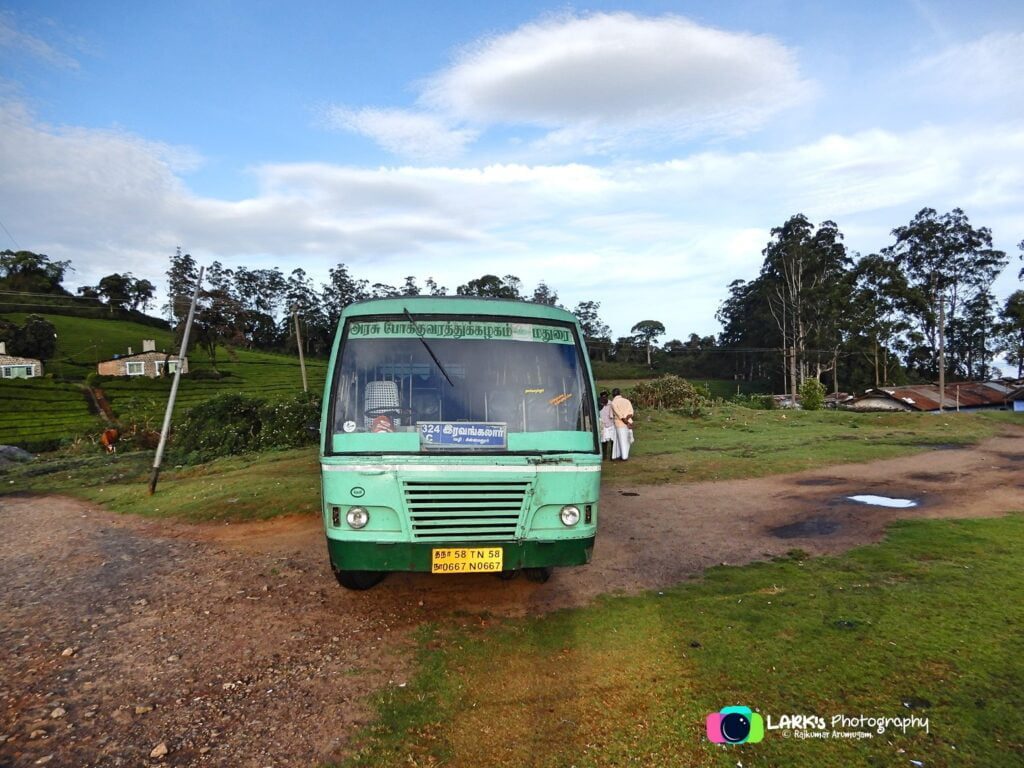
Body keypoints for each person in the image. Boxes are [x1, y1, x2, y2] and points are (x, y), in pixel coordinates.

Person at [609, 388, 635, 461]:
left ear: (613, 394)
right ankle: (622, 455)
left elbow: (619, 415)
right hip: (629, 423)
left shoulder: (613, 403)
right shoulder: (627, 401)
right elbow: (631, 412)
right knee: (627, 440)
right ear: (620, 393)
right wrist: (628, 421)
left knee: (621, 441)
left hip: (620, 424)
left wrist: (626, 422)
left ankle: (624, 456)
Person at [598, 391, 614, 460]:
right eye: (603, 397)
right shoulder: (599, 404)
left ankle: (612, 456)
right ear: (601, 398)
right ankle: (604, 456)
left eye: (606, 397)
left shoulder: (611, 404)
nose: (605, 399)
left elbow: (612, 415)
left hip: (611, 424)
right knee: (604, 442)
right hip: (602, 425)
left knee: (612, 441)